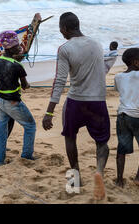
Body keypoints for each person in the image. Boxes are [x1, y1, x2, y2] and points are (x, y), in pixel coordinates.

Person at [42, 12, 110, 201]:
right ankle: (99, 173)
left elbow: (60, 81)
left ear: (64, 28)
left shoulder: (65, 48)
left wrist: (49, 111)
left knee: (70, 137)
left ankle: (74, 180)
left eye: (60, 30)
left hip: (76, 102)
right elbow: (101, 70)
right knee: (102, 142)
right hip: (98, 101)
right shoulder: (97, 44)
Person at [0, 31, 35, 166]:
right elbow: (25, 85)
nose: (20, 47)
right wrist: (28, 86)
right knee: (30, 126)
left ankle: (0, 160)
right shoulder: (17, 66)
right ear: (11, 48)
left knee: (0, 130)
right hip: (13, 102)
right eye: (17, 45)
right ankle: (27, 156)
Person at [114, 48, 139, 189]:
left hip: (122, 116)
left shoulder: (118, 77)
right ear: (136, 62)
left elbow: (119, 90)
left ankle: (119, 180)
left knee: (121, 149)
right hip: (138, 117)